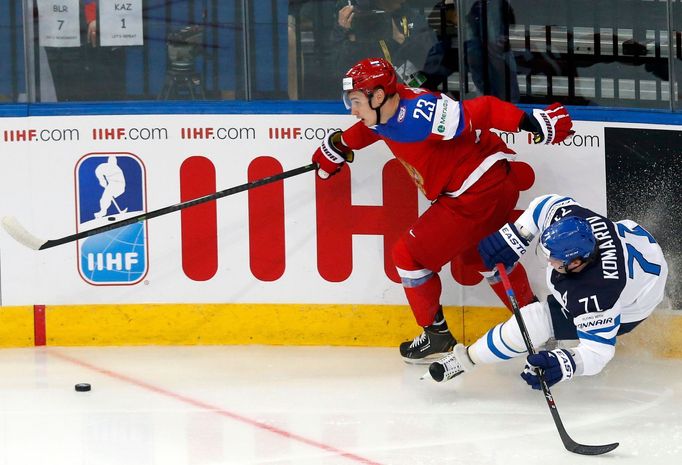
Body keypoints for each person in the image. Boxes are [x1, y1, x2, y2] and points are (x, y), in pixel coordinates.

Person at [310, 57, 573, 362]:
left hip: (475, 194)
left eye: (355, 101)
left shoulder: (420, 117)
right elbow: (375, 129)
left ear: (378, 96)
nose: (352, 110)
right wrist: (340, 144)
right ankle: (538, 326)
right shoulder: (389, 111)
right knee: (484, 254)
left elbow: (485, 109)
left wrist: (531, 123)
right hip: (493, 182)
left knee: (408, 256)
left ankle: (436, 337)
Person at [427, 194, 668, 387]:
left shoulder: (596, 294)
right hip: (638, 252)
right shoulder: (571, 219)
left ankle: (467, 359)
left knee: (535, 321)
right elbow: (546, 204)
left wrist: (565, 364)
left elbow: (598, 353)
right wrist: (516, 235)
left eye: (554, 259)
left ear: (575, 262)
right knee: (545, 311)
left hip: (634, 304)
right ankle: (545, 337)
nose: (548, 261)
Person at [332, 0, 440, 89]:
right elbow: (339, 72)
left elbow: (433, 64)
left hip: (410, 92)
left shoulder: (413, 17)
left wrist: (400, 38)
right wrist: (347, 34)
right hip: (373, 97)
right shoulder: (358, 19)